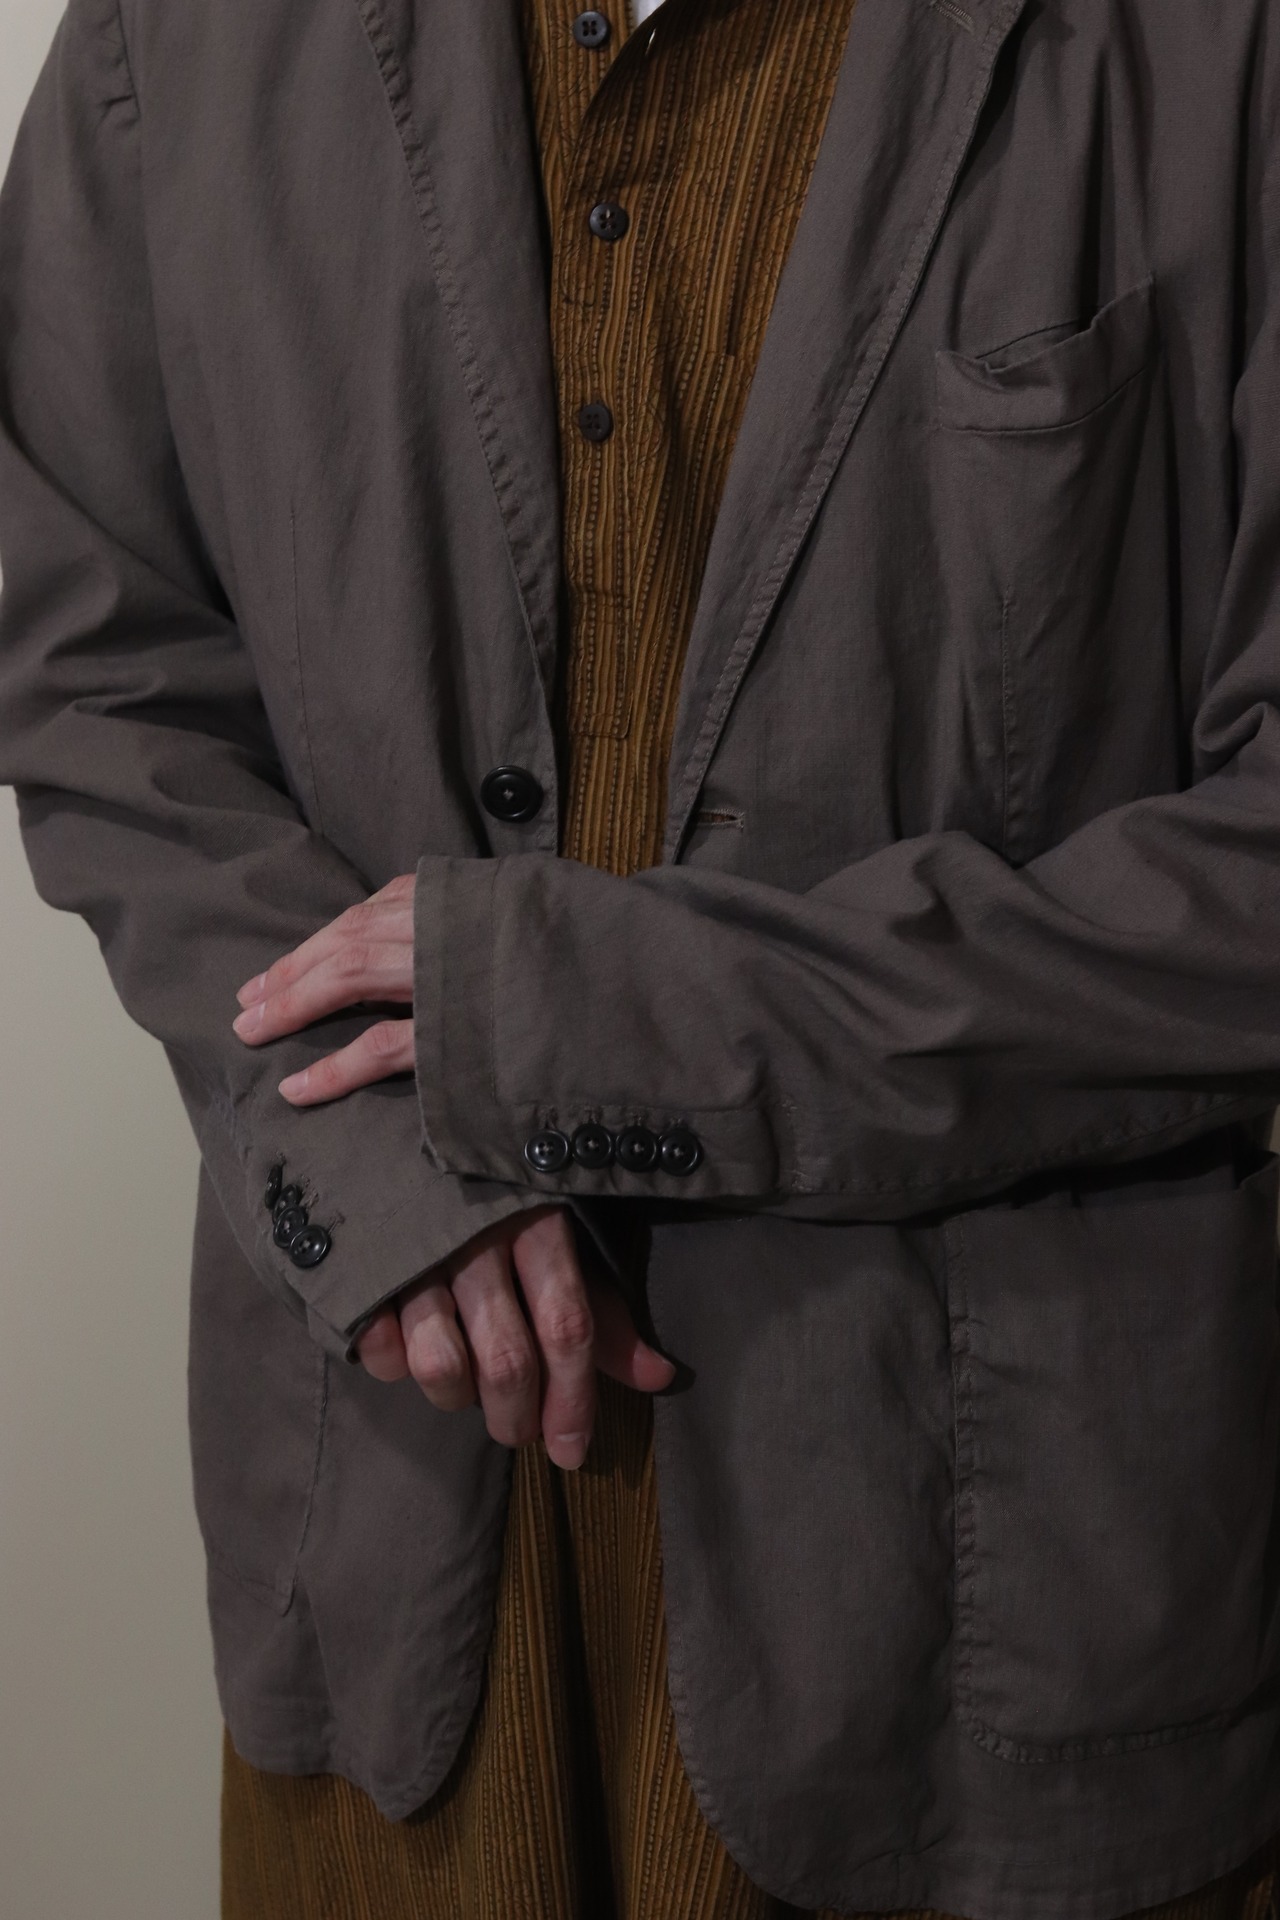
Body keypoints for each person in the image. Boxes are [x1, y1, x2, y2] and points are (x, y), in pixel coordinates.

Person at [4, 0, 1280, 1913]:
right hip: (399, 1597)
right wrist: (367, 1162)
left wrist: (609, 1017)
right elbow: (94, 674)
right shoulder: (175, 38)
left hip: (993, 1649)